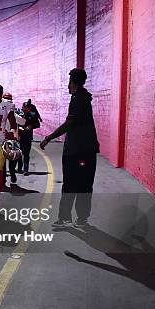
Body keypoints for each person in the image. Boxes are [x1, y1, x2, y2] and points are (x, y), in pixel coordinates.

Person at [40, 68, 99, 227]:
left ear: (73, 83)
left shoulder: (78, 99)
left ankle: (65, 218)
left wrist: (48, 137)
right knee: (85, 184)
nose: (67, 85)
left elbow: (69, 123)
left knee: (70, 184)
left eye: (69, 82)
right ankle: (82, 219)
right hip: (88, 150)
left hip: (76, 151)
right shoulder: (85, 98)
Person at [19, 100, 41, 175]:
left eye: (27, 108)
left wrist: (31, 126)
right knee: (19, 152)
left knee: (26, 153)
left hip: (27, 136)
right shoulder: (19, 114)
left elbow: (38, 124)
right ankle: (19, 168)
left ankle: (26, 169)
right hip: (18, 136)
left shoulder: (33, 115)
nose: (25, 109)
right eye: (24, 107)